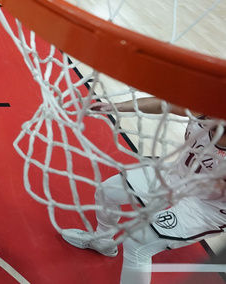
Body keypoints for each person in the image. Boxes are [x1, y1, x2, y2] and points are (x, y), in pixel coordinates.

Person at [61, 97, 226, 284]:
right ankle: (102, 240)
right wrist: (116, 107)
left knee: (138, 244)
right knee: (108, 191)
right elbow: (163, 104)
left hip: (206, 208)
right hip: (177, 176)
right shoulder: (202, 109)